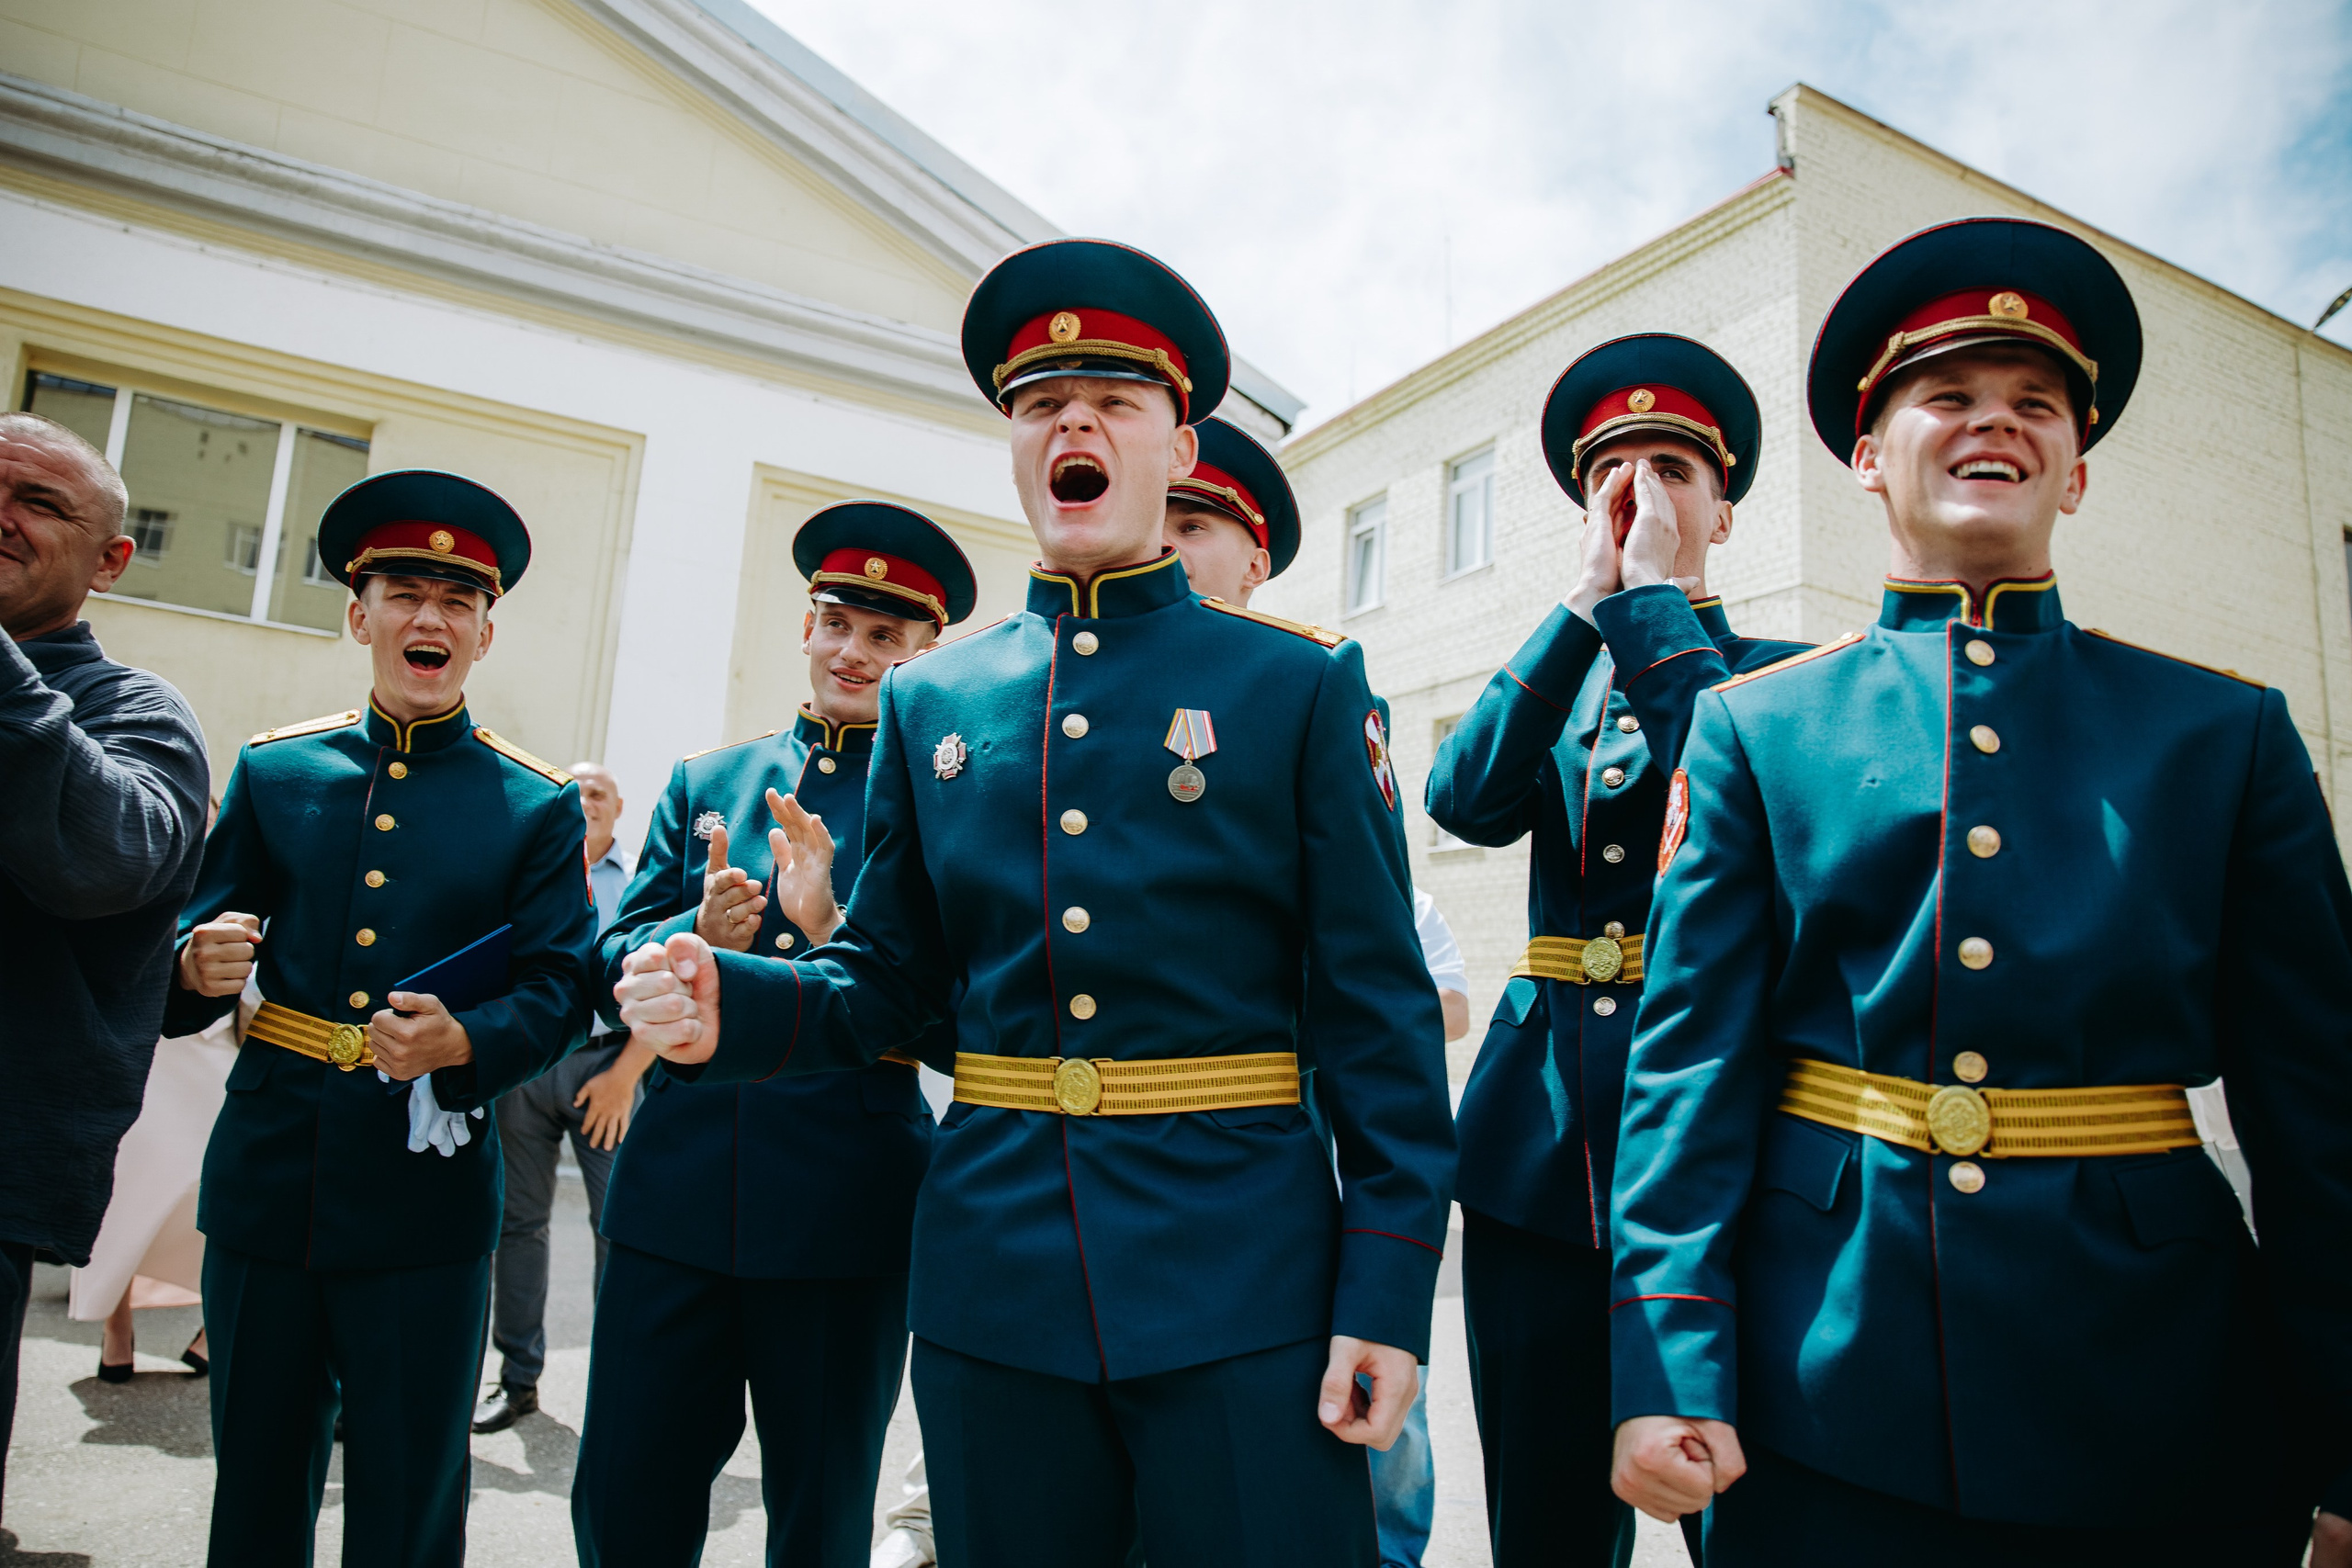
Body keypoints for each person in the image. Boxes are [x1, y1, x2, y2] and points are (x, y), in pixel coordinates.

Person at [618, 236, 1456, 1568]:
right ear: (1013, 447)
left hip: (1244, 1277)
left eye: (1117, 401)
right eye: (1040, 403)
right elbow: (889, 980)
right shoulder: (933, 698)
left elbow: (1378, 1016)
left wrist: (1391, 1290)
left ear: (1179, 447)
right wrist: (739, 1000)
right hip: (995, 1283)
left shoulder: (1294, 688)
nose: (1074, 421)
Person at [1607, 217, 2352, 1568]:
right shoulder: (1756, 728)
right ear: (1865, 455)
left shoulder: (2223, 733)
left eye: (2035, 405)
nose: (1992, 423)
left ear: (2075, 473)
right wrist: (1667, 1350)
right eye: (1945, 396)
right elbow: (1690, 1074)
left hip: (2158, 1400)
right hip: (1825, 1393)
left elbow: (2324, 1118)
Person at [166, 469, 594, 1567]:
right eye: (406, 593)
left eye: (458, 603)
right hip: (272, 1174)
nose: (430, 619)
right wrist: (193, 963)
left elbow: (559, 986)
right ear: (361, 615)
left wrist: (465, 1044)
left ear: (484, 635)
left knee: (409, 1491)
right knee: (257, 1478)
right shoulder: (275, 770)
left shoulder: (533, 805)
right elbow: (196, 934)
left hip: (425, 1200)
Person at [1424, 334, 1799, 1567]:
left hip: (1722, 1160)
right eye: (1615, 470)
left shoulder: (1774, 678)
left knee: (1742, 1519)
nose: (1644, 489)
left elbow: (1756, 809)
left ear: (1725, 512)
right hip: (1542, 1158)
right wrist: (1587, 602)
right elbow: (1463, 796)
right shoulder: (1558, 681)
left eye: (1677, 466)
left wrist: (1648, 608)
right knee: (1544, 1517)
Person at [572, 501, 974, 1566]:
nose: (854, 653)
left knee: (819, 1512)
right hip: (682, 1187)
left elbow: (960, 1023)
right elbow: (612, 950)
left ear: (925, 653)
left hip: (844, 1204)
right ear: (805, 627)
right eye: (838, 624)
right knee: (628, 1489)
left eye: (887, 639)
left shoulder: (943, 801)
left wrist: (835, 926)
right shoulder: (713, 781)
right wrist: (688, 935)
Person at [1166, 412, 1465, 1568]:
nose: (1176, 547)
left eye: (1200, 528)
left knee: (1362, 1426)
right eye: (1167, 522)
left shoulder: (1314, 690)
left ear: (1255, 559)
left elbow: (1388, 969)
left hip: (1304, 1134)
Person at [0, 411, 209, 1517]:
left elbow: (102, 858)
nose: (5, 518)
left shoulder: (136, 715)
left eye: (39, 503)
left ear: (111, 561)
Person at [471, 761, 651, 1434]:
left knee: (617, 1229)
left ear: (619, 805)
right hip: (527, 1068)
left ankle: (620, 1384)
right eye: (574, 791)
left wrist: (627, 1075)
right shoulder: (529, 872)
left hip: (606, 1070)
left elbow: (670, 983)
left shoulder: (639, 884)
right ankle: (517, 1380)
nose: (586, 801)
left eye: (599, 791)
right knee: (517, 1224)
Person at [72, 799, 243, 1383]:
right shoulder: (136, 873)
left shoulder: (238, 883)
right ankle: (115, 1332)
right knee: (124, 1199)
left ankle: (208, 1333)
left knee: (216, 1203)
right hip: (146, 1057)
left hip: (213, 1058)